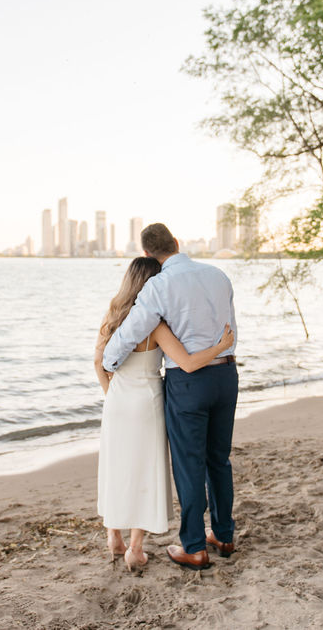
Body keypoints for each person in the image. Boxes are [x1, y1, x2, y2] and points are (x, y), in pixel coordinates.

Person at [102, 224, 239, 571]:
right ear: (177, 244)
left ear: (148, 255)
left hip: (188, 383)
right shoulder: (218, 275)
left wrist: (111, 364)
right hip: (226, 373)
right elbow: (231, 329)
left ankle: (194, 547)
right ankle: (223, 535)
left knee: (189, 464)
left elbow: (129, 333)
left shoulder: (158, 285)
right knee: (219, 460)